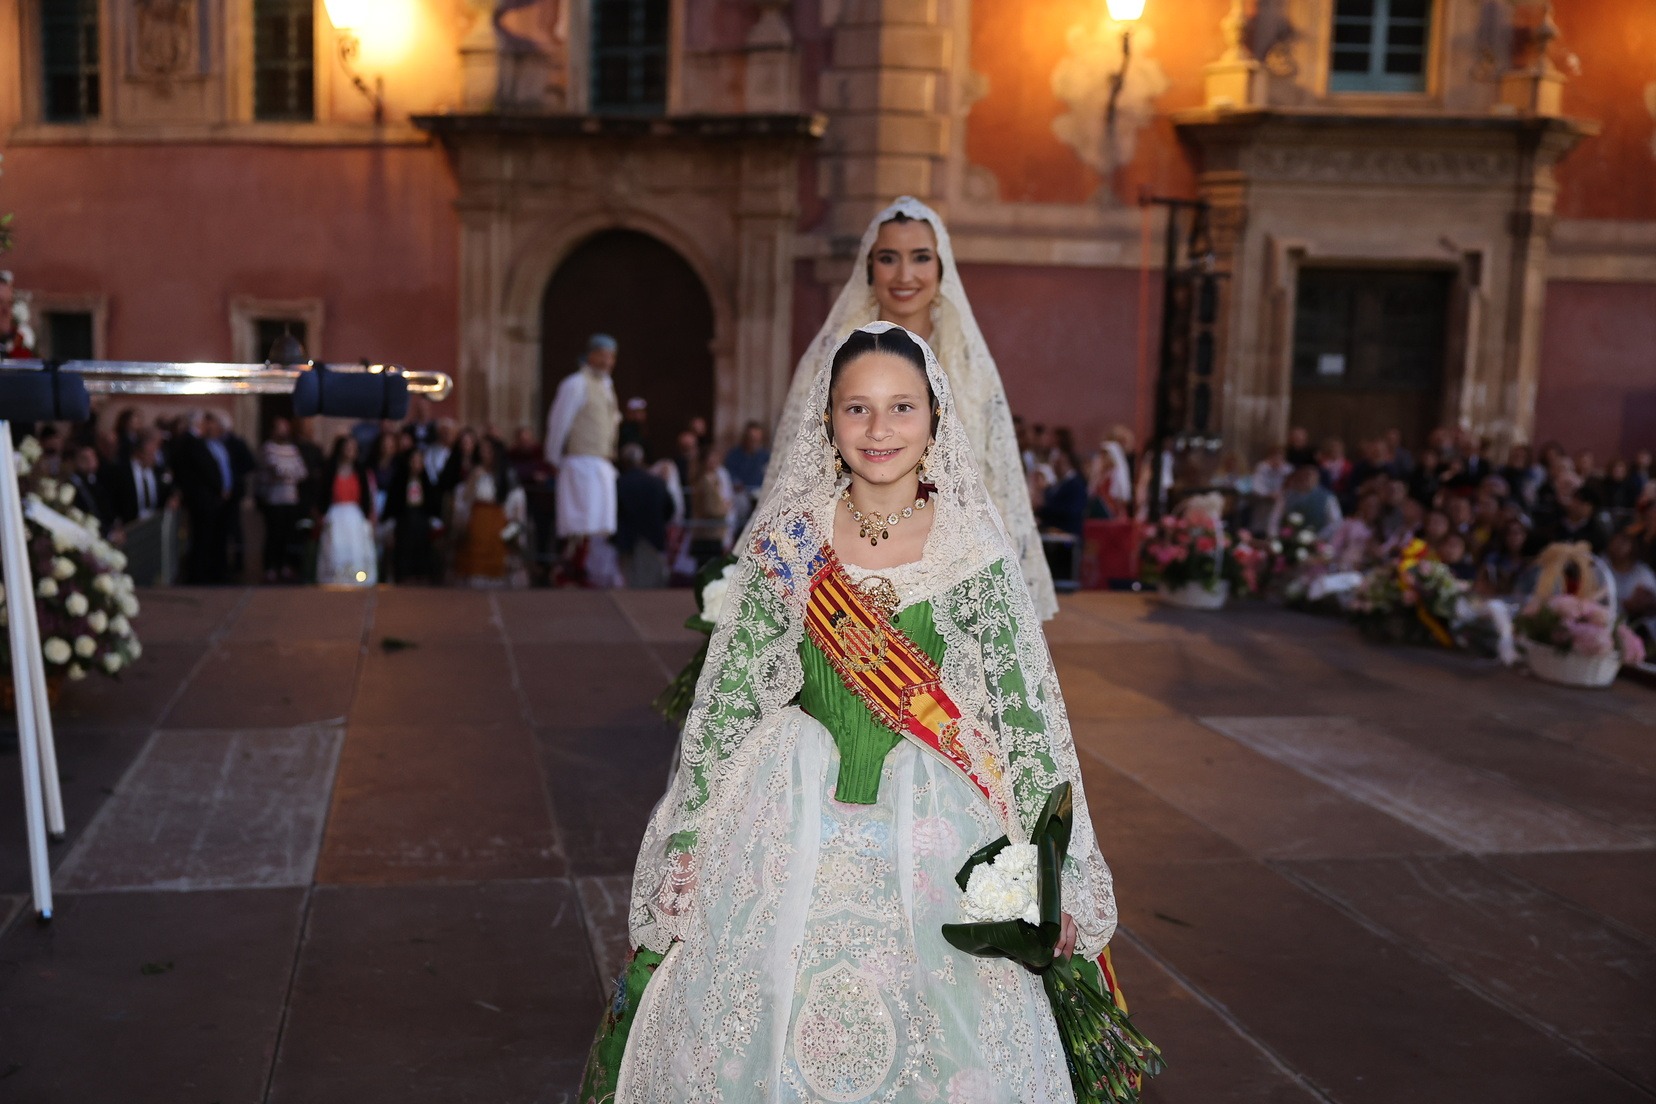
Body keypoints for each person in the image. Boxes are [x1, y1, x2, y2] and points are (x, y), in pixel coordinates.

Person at [579, 322, 1123, 1101]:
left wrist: (1051, 868)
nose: (879, 429)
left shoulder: (972, 551)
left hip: (935, 827)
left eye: (902, 407)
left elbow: (1026, 723)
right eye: (857, 408)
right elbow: (728, 707)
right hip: (783, 818)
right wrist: (689, 839)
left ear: (934, 418)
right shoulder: (790, 544)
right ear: (828, 420)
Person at [759, 197, 1059, 619]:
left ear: (941, 267)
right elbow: (802, 466)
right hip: (841, 564)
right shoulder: (833, 357)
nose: (904, 275)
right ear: (869, 268)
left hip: (951, 565)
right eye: (888, 258)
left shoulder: (968, 363)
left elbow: (994, 478)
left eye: (920, 257)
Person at [545, 333, 623, 586]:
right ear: (591, 355)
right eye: (603, 356)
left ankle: (582, 569)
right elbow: (559, 422)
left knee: (596, 524)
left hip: (601, 463)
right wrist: (553, 457)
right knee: (579, 522)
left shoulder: (607, 387)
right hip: (580, 463)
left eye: (611, 357)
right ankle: (568, 570)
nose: (607, 362)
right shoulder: (575, 384)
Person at [451, 435, 516, 585]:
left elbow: (512, 501)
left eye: (488, 451)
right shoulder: (476, 472)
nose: (484, 454)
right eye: (482, 450)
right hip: (479, 518)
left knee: (496, 555)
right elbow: (466, 497)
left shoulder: (504, 473)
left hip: (497, 520)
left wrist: (511, 527)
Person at [315, 435, 377, 586]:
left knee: (356, 549)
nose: (351, 451)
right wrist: (321, 514)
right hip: (336, 516)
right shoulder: (330, 471)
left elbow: (366, 496)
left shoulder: (360, 471)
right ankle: (336, 578)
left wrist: (369, 516)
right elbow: (323, 494)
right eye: (348, 447)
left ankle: (358, 578)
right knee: (335, 548)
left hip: (355, 517)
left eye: (353, 448)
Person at [615, 443, 673, 588]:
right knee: (653, 579)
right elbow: (671, 508)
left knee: (632, 580)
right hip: (654, 536)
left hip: (628, 538)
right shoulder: (657, 482)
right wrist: (660, 522)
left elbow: (614, 511)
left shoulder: (620, 483)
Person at [257, 417, 308, 582]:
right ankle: (270, 567)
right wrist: (289, 472)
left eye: (285, 427)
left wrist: (288, 472)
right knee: (274, 534)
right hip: (274, 499)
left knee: (288, 534)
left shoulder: (292, 449)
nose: (283, 431)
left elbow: (302, 472)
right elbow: (277, 470)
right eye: (280, 428)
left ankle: (284, 565)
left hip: (291, 499)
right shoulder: (268, 448)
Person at [385, 447, 440, 584]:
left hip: (421, 522)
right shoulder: (400, 480)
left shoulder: (426, 481)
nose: (416, 464)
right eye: (413, 461)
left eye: (419, 461)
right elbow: (393, 503)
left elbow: (432, 504)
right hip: (405, 522)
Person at [722, 420, 770, 532]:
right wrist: (736, 483)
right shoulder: (734, 455)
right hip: (740, 494)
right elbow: (729, 474)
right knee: (740, 504)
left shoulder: (765, 456)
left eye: (757, 439)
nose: (754, 442)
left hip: (761, 493)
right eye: (751, 438)